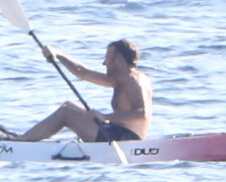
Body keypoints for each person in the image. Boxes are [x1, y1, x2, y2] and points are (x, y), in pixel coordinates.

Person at [8, 39, 152, 142]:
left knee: (67, 113)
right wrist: (58, 55)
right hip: (115, 133)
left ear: (119, 58)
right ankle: (26, 137)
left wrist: (105, 117)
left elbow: (141, 113)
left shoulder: (132, 80)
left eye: (107, 57)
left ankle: (22, 141)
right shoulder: (120, 78)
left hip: (125, 139)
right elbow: (82, 72)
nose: (104, 62)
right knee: (70, 105)